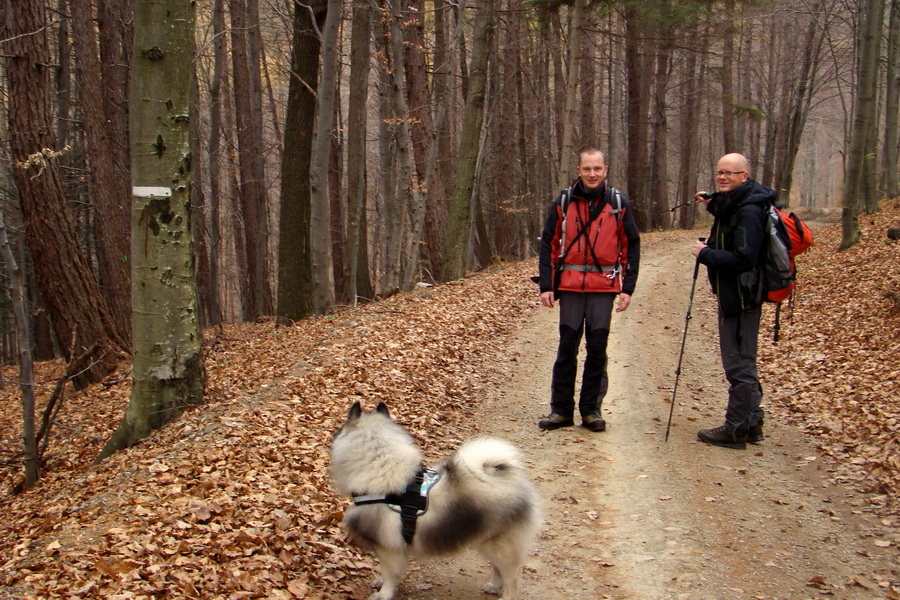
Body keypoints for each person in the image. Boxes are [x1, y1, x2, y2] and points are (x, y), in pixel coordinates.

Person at [537, 149, 640, 432]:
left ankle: (591, 410)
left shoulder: (618, 202)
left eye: (597, 168)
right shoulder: (564, 201)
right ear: (579, 170)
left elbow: (631, 244)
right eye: (587, 169)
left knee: (597, 348)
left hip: (603, 287)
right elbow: (549, 243)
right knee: (567, 347)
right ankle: (561, 411)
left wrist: (627, 288)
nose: (592, 174)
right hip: (569, 285)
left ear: (605, 169)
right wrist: (547, 285)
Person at [691, 152, 771, 449]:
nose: (722, 177)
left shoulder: (750, 210)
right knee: (741, 361)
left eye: (729, 173)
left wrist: (705, 254)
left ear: (744, 177)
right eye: (719, 172)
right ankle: (753, 421)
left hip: (741, 296)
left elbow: (744, 257)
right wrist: (712, 204)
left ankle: (736, 428)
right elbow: (730, 217)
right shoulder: (741, 202)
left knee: (738, 363)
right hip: (735, 293)